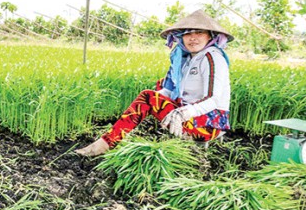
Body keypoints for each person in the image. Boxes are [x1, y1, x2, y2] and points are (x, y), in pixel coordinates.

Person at [76, 9, 234, 156]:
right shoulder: (185, 59)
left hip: (208, 125)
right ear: (181, 37)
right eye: (187, 34)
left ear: (210, 36)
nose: (192, 38)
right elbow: (169, 89)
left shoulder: (212, 57)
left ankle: (104, 144)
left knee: (147, 97)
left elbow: (213, 99)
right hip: (190, 117)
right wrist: (145, 106)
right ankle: (114, 137)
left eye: (199, 32)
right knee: (157, 89)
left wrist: (183, 113)